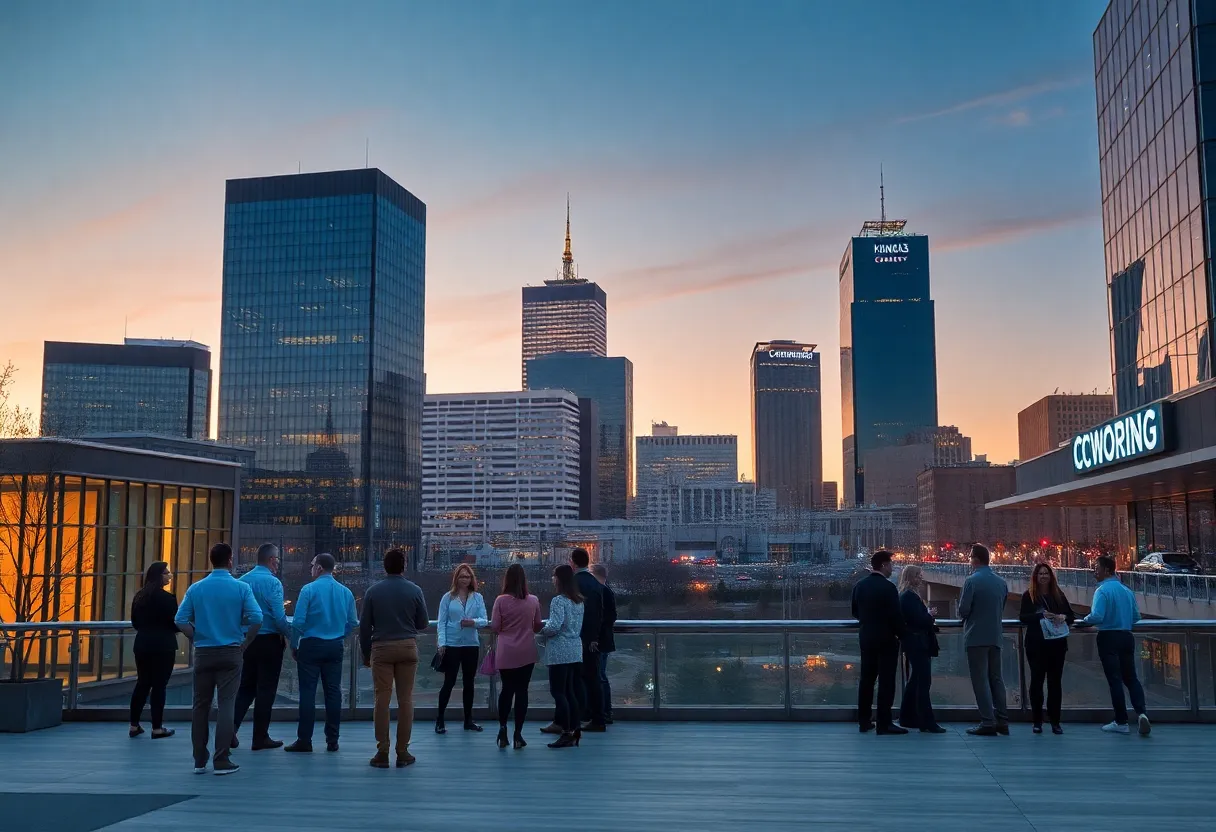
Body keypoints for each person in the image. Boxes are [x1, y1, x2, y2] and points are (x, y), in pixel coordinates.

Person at [175, 543, 263, 775]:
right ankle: (221, 759)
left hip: (204, 652)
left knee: (200, 706)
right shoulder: (241, 588)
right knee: (226, 705)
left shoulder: (196, 588)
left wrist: (196, 637)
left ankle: (199, 760)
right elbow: (257, 617)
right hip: (231, 651)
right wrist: (245, 642)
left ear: (211, 561)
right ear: (230, 560)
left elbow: (180, 619)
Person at [361, 548, 430, 769]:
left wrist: (365, 653)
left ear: (384, 566)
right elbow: (423, 623)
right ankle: (403, 751)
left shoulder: (373, 591)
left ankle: (382, 751)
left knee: (381, 699)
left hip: (381, 648)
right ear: (404, 566)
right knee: (406, 699)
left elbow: (364, 627)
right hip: (407, 647)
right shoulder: (415, 590)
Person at [286, 553, 358, 754]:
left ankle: (304, 740)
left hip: (310, 645)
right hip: (334, 646)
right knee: (333, 692)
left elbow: (299, 622)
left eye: (311, 565)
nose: (311, 569)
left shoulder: (308, 590)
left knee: (307, 693)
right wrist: (341, 637)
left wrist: (294, 644)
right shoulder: (345, 592)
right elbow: (352, 622)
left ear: (318, 568)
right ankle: (332, 740)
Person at [1074, 555, 1150, 736]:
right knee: (1131, 678)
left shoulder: (1102, 591)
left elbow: (1097, 616)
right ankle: (1141, 713)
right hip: (1126, 636)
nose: (1094, 570)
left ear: (1107, 570)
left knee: (1114, 679)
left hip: (1108, 637)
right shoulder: (1126, 590)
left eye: (1097, 567)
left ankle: (1121, 721)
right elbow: (1136, 617)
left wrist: (1084, 621)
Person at [232, 543, 291, 751]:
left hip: (248, 641)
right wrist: (292, 638)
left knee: (245, 687)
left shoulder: (242, 582)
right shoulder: (273, 584)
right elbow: (279, 617)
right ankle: (260, 737)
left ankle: (231, 730)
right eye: (277, 560)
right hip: (269, 642)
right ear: (272, 560)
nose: (278, 564)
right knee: (266, 690)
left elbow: (237, 614)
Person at [851, 550, 907, 734]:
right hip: (886, 639)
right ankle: (884, 722)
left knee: (866, 680)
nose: (892, 568)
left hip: (866, 637)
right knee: (886, 681)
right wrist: (903, 636)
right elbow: (896, 616)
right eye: (890, 564)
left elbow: (855, 612)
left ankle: (864, 721)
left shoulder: (860, 585)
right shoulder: (889, 588)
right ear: (883, 565)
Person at [959, 543, 1010, 737]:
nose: (969, 560)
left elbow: (963, 610)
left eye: (970, 557)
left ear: (976, 559)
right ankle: (1003, 721)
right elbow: (1002, 605)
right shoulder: (1001, 582)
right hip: (995, 636)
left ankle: (987, 722)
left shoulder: (971, 581)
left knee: (980, 680)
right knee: (997, 679)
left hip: (975, 636)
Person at [491, 563, 543, 750]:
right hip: (526, 650)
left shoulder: (501, 601)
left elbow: (495, 627)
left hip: (506, 650)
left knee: (506, 690)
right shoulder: (533, 600)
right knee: (522, 691)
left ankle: (503, 728)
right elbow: (537, 625)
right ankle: (518, 734)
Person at [1019, 562, 1075, 734]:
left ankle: (1055, 721)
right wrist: (1040, 616)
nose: (1044, 576)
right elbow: (1023, 617)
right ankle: (1037, 721)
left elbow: (1071, 616)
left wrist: (1062, 616)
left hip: (1056, 645)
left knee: (1054, 683)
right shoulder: (1029, 596)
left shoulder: (1058, 595)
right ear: (1036, 577)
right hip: (1036, 645)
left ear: (1051, 577)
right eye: (1040, 574)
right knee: (1036, 682)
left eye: (1046, 573)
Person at [435, 563, 489, 734]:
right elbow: (441, 622)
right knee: (449, 682)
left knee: (469, 683)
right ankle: (440, 719)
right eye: (462, 576)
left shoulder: (477, 597)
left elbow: (484, 620)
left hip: (471, 644)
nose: (465, 579)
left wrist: (472, 622)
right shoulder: (448, 598)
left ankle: (468, 720)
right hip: (452, 644)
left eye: (468, 576)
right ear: (456, 578)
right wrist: (442, 643)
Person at [129, 560, 179, 740]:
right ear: (159, 576)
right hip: (164, 645)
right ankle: (157, 728)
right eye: (167, 573)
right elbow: (175, 624)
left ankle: (134, 725)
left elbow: (135, 622)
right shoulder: (167, 598)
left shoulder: (139, 597)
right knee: (159, 686)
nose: (169, 576)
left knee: (142, 683)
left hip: (142, 643)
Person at [538, 564, 585, 749]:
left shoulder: (559, 600)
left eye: (553, 576)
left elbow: (554, 626)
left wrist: (542, 631)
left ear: (559, 579)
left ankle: (565, 731)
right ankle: (575, 728)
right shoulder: (579, 600)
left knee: (558, 692)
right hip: (575, 649)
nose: (552, 579)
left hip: (560, 651)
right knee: (570, 692)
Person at [896, 565, 944, 734]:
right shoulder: (910, 597)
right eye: (918, 576)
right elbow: (919, 620)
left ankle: (907, 716)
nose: (921, 579)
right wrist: (930, 616)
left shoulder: (906, 596)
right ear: (911, 578)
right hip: (918, 643)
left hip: (913, 642)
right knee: (923, 682)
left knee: (915, 680)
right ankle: (926, 721)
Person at [571, 548, 606, 732]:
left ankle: (591, 717)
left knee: (583, 680)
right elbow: (597, 612)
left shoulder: (575, 583)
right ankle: (597, 717)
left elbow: (588, 612)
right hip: (591, 638)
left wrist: (590, 637)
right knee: (593, 679)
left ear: (573, 563)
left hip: (579, 638)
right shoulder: (593, 582)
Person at [592, 562, 617, 724]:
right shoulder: (607, 591)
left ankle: (603, 711)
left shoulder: (601, 592)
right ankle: (605, 711)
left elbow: (605, 617)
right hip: (604, 640)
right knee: (600, 676)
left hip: (599, 641)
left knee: (599, 676)